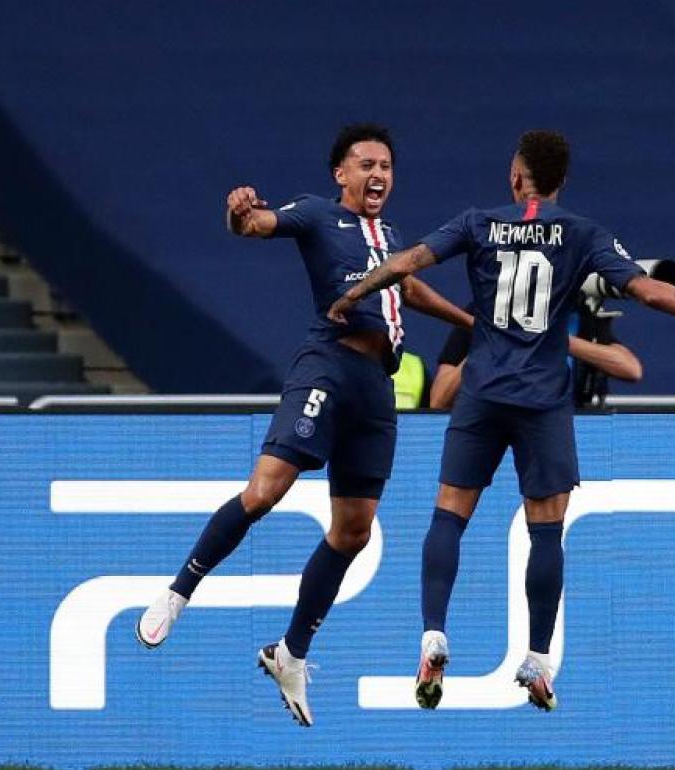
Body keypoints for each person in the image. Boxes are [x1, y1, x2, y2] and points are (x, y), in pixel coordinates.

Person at [327, 130, 675, 712]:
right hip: (542, 403)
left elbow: (409, 261)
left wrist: (354, 292)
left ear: (517, 178)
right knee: (546, 530)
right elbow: (651, 293)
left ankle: (433, 633)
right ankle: (537, 659)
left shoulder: (478, 222)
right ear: (561, 182)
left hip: (482, 392)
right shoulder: (582, 232)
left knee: (449, 515)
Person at [136, 123, 470, 727]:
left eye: (387, 166)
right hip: (330, 363)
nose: (378, 175)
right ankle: (180, 589)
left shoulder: (389, 235)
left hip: (378, 388)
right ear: (341, 174)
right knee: (265, 491)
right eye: (365, 165)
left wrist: (469, 322)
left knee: (353, 532)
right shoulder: (319, 215)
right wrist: (241, 214)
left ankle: (289, 653)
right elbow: (260, 225)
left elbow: (410, 287)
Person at [429, 298, 643, 410]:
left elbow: (630, 368)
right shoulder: (485, 310)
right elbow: (439, 399)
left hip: (562, 433)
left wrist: (553, 338)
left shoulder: (579, 315)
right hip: (494, 432)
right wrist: (492, 341)